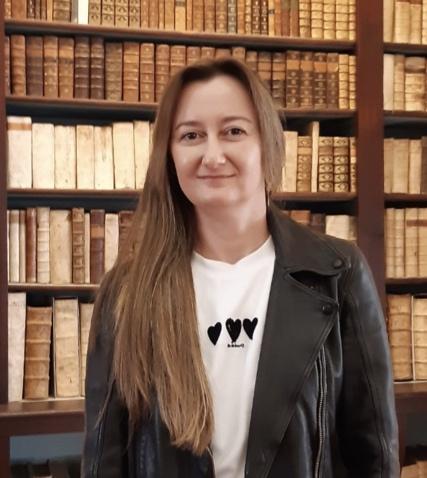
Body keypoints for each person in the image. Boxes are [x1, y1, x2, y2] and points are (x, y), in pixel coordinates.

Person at [82, 58, 399, 477]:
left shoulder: (338, 274)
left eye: (233, 131)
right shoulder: (126, 292)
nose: (213, 156)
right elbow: (104, 460)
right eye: (191, 135)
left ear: (268, 142)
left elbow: (374, 456)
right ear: (169, 155)